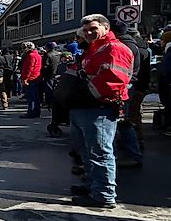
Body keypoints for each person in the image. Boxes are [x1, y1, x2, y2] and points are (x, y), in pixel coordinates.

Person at [67, 14, 133, 209]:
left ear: (105, 27)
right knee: (86, 151)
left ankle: (104, 195)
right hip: (83, 108)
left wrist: (84, 92)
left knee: (101, 152)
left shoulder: (115, 48)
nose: (88, 33)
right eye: (85, 30)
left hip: (99, 108)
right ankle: (92, 185)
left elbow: (114, 81)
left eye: (93, 28)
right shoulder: (94, 49)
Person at [110, 21, 143, 168]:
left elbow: (117, 72)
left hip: (121, 88)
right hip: (129, 85)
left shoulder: (120, 47)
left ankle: (121, 157)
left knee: (120, 123)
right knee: (124, 122)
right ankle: (133, 154)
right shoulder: (134, 46)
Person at [19, 42, 42, 119]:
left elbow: (28, 68)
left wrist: (25, 79)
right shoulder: (38, 55)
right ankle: (36, 112)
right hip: (36, 77)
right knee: (36, 96)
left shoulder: (30, 56)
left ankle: (31, 112)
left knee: (31, 97)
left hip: (31, 78)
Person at [41, 42, 61, 107]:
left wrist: (42, 73)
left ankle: (48, 102)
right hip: (55, 72)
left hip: (48, 73)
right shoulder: (58, 54)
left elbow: (45, 65)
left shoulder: (47, 54)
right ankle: (53, 101)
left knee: (48, 88)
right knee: (53, 87)